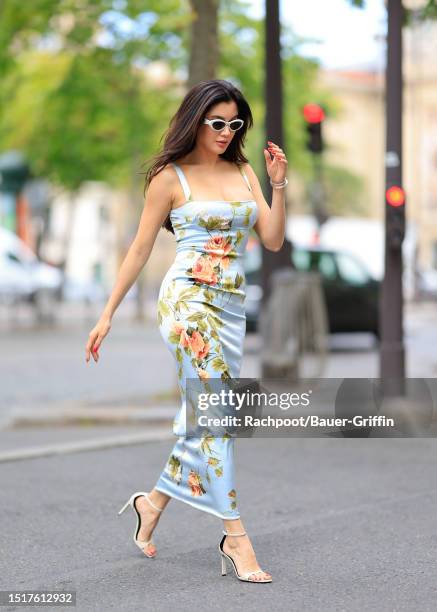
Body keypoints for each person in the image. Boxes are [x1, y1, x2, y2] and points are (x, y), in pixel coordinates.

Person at [85, 79, 287, 583]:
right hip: (187, 303)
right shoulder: (170, 178)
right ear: (195, 119)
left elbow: (274, 239)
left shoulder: (243, 171)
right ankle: (236, 538)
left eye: (234, 123)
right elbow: (139, 248)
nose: (225, 131)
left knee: (206, 416)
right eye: (216, 122)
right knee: (217, 415)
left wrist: (278, 184)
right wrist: (108, 312)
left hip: (231, 309)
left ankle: (150, 505)